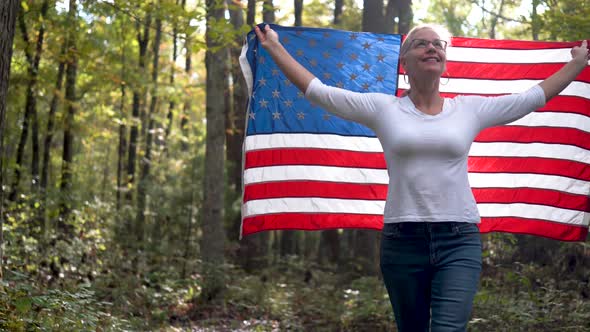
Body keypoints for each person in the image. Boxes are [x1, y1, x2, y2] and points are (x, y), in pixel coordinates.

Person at [254, 23, 589, 332]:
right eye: (421, 44)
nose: (431, 48)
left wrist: (577, 63)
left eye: (437, 44)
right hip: (403, 242)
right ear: (405, 61)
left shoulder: (468, 110)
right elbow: (319, 93)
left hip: (459, 240)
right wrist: (274, 48)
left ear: (444, 61)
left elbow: (531, 99)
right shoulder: (383, 109)